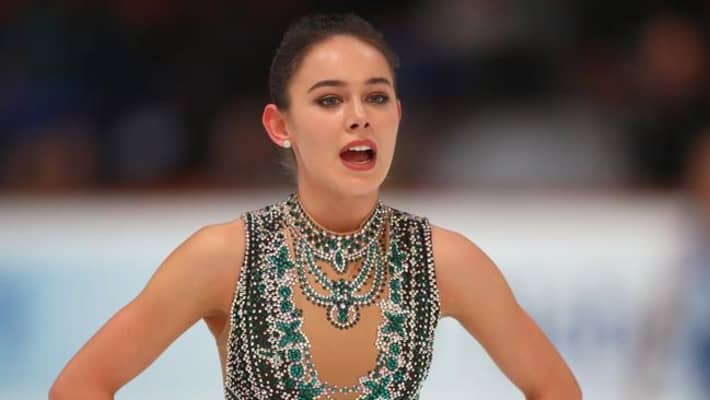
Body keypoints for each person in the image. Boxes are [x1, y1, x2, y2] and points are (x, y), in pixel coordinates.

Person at [49, 13, 581, 400]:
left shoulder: (445, 261)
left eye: (376, 97)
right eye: (329, 99)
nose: (359, 116)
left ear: (397, 115)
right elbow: (80, 385)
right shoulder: (223, 257)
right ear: (280, 125)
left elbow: (556, 388)